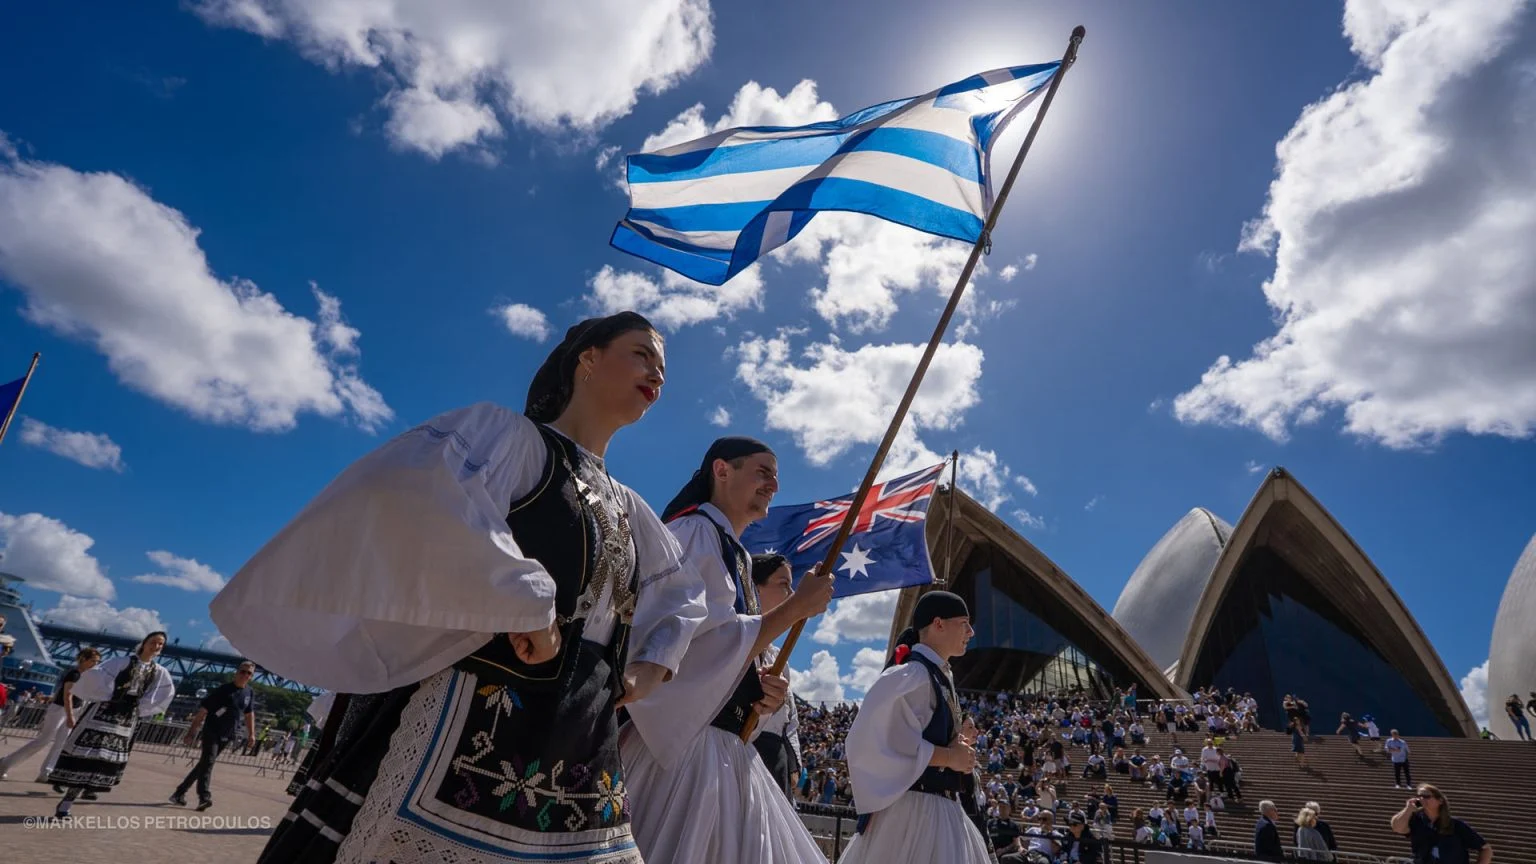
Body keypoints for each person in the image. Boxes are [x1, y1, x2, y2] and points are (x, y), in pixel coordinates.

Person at [210, 312, 711, 864]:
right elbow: (416, 489)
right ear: (588, 358)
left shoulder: (632, 508)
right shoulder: (511, 438)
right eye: (642, 354)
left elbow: (684, 595)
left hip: (580, 745)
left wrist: (652, 666)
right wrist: (528, 604)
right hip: (471, 713)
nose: (657, 374)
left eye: (663, 368)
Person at [620, 437, 833, 862]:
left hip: (721, 752)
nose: (774, 484)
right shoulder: (694, 532)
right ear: (721, 470)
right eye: (762, 471)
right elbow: (676, 642)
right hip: (682, 759)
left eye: (776, 476)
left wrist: (757, 691)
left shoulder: (733, 553)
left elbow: (721, 646)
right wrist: (795, 609)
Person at [837, 591, 990, 864]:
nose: (971, 631)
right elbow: (881, 740)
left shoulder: (938, 674)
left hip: (939, 810)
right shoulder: (914, 674)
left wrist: (957, 746)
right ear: (938, 624)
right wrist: (950, 757)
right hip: (916, 813)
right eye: (964, 623)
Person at [50, 632, 176, 818]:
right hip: (104, 713)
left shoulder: (159, 671)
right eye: (153, 642)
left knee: (104, 759)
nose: (156, 646)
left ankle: (84, 791)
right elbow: (96, 676)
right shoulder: (122, 662)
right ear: (144, 643)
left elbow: (165, 693)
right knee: (88, 755)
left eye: (160, 644)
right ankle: (67, 801)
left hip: (126, 719)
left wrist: (140, 707)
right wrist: (108, 695)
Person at [749, 555, 805, 800]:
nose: (791, 594)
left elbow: (789, 718)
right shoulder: (733, 642)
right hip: (744, 752)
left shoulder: (778, 657)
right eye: (784, 584)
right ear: (755, 587)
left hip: (774, 759)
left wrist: (793, 761)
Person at [0, 648, 100, 783]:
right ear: (83, 659)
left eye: (97, 661)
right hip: (60, 710)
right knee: (43, 740)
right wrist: (70, 715)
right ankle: (5, 763)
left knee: (61, 743)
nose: (95, 664)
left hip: (74, 709)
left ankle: (47, 772)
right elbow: (67, 696)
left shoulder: (86, 676)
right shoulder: (74, 674)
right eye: (93, 661)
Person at [171, 661, 258, 810]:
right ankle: (204, 797)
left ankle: (179, 793)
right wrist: (191, 732)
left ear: (251, 676)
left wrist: (252, 734)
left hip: (228, 733)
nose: (245, 675)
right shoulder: (223, 690)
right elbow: (202, 711)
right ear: (236, 672)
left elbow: (249, 714)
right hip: (212, 730)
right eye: (242, 671)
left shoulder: (249, 692)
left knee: (204, 764)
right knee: (209, 762)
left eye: (248, 673)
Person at [1391, 784, 1491, 864]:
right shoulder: (1416, 821)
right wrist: (1408, 809)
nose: (1421, 799)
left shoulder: (1456, 825)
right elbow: (1397, 828)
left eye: (1426, 796)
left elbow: (1486, 849)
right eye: (1419, 796)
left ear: (1440, 801)